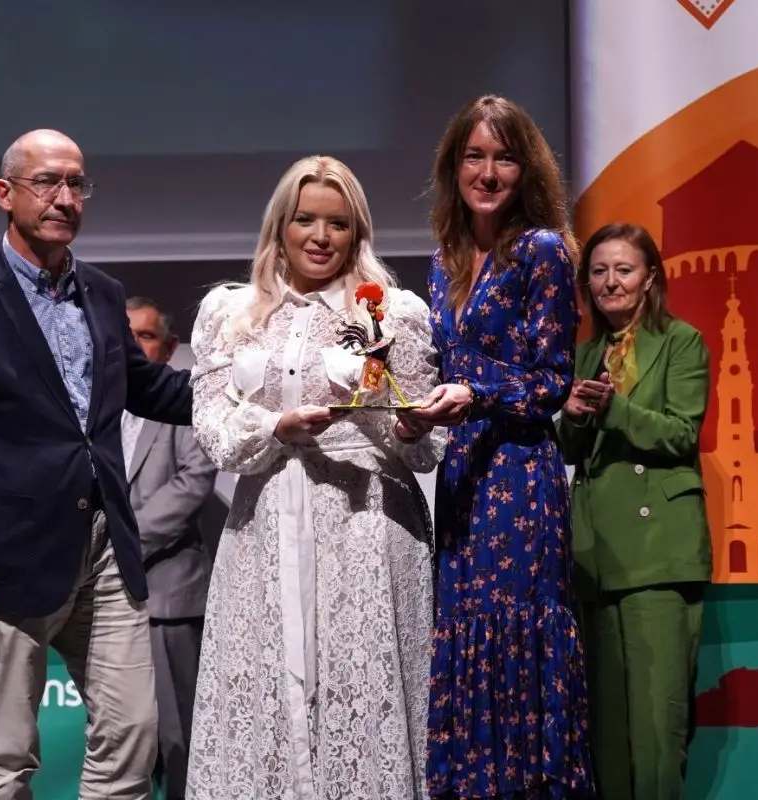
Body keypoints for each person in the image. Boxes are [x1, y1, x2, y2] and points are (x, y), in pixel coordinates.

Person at [0, 128, 193, 800]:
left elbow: (151, 389)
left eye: (76, 183)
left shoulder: (103, 292)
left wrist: (261, 391)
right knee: (4, 753)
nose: (64, 197)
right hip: (9, 557)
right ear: (5, 194)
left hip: (107, 550)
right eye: (47, 182)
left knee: (133, 734)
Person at [184, 155, 445, 799]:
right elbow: (213, 430)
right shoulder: (232, 313)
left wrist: (410, 425)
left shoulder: (392, 312)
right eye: (306, 220)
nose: (321, 237)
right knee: (266, 691)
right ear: (281, 225)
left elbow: (425, 448)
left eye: (338, 223)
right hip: (264, 528)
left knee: (361, 689)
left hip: (367, 529)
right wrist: (277, 427)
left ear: (358, 232)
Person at [401, 95, 594, 798]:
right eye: (474, 157)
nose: (487, 173)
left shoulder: (541, 251)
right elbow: (444, 370)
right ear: (453, 168)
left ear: (526, 169)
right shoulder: (442, 263)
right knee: (466, 635)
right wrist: (416, 414)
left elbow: (551, 381)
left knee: (518, 641)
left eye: (504, 158)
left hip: (519, 477)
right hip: (463, 475)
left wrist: (475, 394)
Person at [558, 223, 712, 800]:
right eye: (598, 271)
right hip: (596, 558)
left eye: (623, 269)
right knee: (607, 733)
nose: (610, 282)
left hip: (659, 556)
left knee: (655, 726)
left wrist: (615, 410)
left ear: (650, 278)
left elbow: (681, 434)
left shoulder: (682, 342)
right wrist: (574, 416)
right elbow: (569, 450)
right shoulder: (584, 354)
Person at [121, 296, 219, 800]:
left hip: (167, 596)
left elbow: (193, 481)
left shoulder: (186, 401)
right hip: (103, 599)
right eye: (125, 335)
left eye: (145, 335)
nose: (133, 345)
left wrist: (118, 544)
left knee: (178, 737)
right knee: (118, 736)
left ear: (169, 346)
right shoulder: (90, 407)